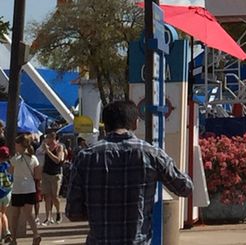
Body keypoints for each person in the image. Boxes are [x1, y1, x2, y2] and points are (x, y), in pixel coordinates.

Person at [65, 99, 192, 245]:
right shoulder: (152, 154)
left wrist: (99, 212)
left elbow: (73, 213)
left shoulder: (85, 156)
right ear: (135, 123)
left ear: (105, 125)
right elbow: (185, 187)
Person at [8, 134, 41, 245]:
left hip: (17, 189)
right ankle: (36, 234)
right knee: (28, 214)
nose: (16, 147)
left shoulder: (15, 159)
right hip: (30, 189)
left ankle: (13, 238)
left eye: (17, 145)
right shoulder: (33, 158)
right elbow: (37, 176)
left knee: (14, 216)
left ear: (21, 146)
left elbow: (10, 172)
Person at [39, 130, 66, 224]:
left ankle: (58, 213)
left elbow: (57, 160)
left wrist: (48, 151)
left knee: (55, 196)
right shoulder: (45, 147)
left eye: (49, 138)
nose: (47, 139)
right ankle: (48, 217)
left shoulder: (59, 147)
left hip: (55, 174)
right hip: (46, 173)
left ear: (53, 138)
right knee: (47, 196)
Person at [0, 146, 11, 243]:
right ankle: (7, 232)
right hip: (7, 193)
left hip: (0, 193)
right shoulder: (8, 165)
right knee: (3, 214)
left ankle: (0, 236)